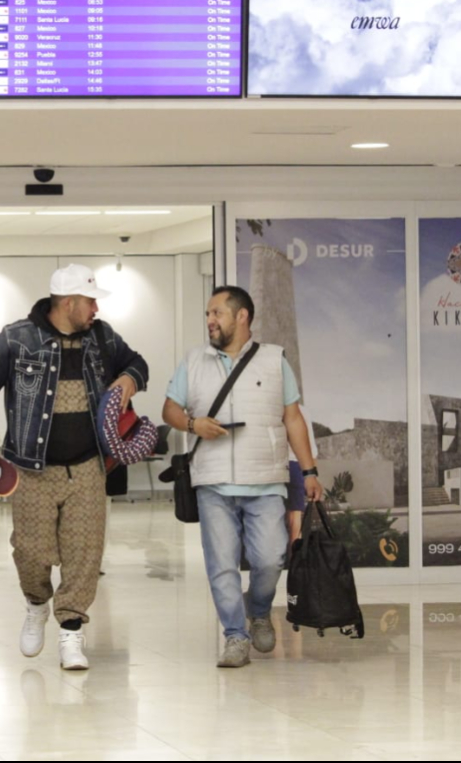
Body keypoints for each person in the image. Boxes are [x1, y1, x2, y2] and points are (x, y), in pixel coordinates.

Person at [0, 264, 149, 671]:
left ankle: (72, 633)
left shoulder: (102, 336)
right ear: (69, 302)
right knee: (30, 552)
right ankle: (37, 604)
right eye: (90, 300)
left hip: (88, 468)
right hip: (31, 470)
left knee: (84, 553)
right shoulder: (16, 339)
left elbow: (138, 363)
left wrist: (129, 379)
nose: (96, 308)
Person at [163, 285, 323, 668]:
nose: (210, 321)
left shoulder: (273, 360)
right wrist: (192, 423)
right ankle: (235, 637)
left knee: (270, 558)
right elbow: (170, 409)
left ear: (242, 316)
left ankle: (260, 610)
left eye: (216, 313)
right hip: (213, 482)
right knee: (221, 565)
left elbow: (293, 419)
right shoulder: (194, 361)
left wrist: (309, 470)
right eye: (207, 314)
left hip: (266, 479)